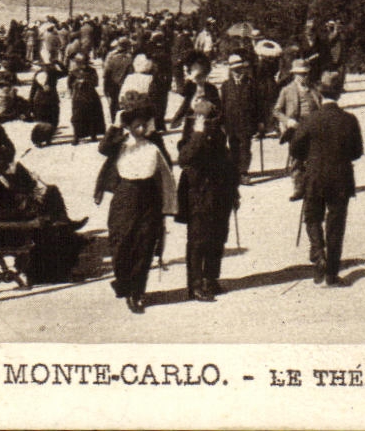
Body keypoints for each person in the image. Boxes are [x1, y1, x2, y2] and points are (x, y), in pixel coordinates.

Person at [0, 121, 87, 284]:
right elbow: (0, 213)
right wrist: (29, 210)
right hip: (4, 232)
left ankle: (65, 252)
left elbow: (7, 203)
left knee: (51, 216)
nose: (5, 167)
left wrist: (29, 204)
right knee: (49, 226)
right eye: (1, 163)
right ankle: (55, 274)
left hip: (11, 223)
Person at [93, 93, 177, 314]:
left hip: (149, 196)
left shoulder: (154, 141)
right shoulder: (119, 142)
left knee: (144, 246)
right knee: (120, 244)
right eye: (137, 125)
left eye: (145, 125)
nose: (141, 130)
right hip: (125, 196)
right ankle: (123, 282)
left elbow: (167, 167)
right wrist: (115, 127)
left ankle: (136, 292)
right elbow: (102, 148)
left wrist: (166, 200)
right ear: (128, 125)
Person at [288, 71, 364, 287]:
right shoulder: (350, 120)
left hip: (315, 177)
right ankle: (331, 274)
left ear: (320, 94)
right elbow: (357, 152)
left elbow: (295, 149)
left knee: (312, 217)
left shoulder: (310, 119)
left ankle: (318, 252)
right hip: (341, 178)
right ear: (339, 95)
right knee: (336, 224)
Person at [175, 97, 239, 302]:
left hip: (221, 194)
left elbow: (229, 164)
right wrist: (199, 133)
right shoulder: (191, 135)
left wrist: (234, 192)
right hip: (199, 195)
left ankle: (211, 278)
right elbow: (184, 158)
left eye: (211, 119)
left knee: (218, 237)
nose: (211, 123)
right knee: (198, 241)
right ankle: (195, 284)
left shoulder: (219, 134)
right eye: (204, 119)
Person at [273, 59, 324, 201]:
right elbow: (276, 111)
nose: (303, 77)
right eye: (300, 74)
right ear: (294, 74)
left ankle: (312, 187)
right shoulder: (287, 90)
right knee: (296, 159)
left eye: (305, 74)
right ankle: (298, 188)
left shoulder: (314, 89)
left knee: (313, 158)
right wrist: (287, 121)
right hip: (296, 128)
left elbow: (322, 106)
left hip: (313, 127)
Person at [220, 54, 260, 180]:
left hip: (246, 121)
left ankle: (243, 172)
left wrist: (261, 122)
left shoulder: (251, 83)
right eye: (235, 70)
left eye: (240, 69)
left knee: (245, 147)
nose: (238, 72)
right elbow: (222, 105)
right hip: (231, 122)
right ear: (231, 71)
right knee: (233, 146)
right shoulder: (226, 85)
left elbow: (259, 104)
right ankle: (234, 170)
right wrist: (221, 122)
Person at [67, 51, 107, 144]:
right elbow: (69, 84)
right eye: (81, 63)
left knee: (92, 115)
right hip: (78, 97)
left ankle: (93, 135)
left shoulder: (92, 70)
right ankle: (76, 136)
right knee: (77, 117)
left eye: (85, 63)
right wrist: (76, 83)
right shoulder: (73, 72)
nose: (84, 65)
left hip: (90, 96)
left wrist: (86, 81)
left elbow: (96, 82)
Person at [102, 36, 134, 120]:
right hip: (124, 83)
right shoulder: (129, 57)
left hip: (112, 82)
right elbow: (131, 71)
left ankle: (114, 119)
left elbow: (106, 71)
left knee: (113, 102)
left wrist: (105, 85)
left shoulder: (111, 55)